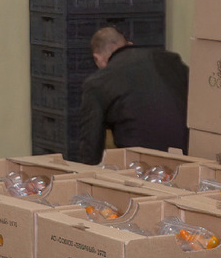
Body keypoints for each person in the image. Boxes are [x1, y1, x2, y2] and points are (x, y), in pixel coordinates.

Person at [66, 26, 189, 164]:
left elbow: (90, 147)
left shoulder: (97, 83)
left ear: (98, 58)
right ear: (129, 44)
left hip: (141, 166)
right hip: (191, 154)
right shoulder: (170, 59)